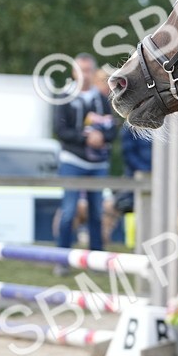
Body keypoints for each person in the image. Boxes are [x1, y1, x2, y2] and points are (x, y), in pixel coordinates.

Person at [53, 54, 117, 267]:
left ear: (93, 71)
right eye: (81, 70)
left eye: (88, 70)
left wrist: (102, 137)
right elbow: (60, 130)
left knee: (97, 212)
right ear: (74, 72)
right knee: (69, 211)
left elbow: (113, 128)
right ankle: (62, 259)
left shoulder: (101, 98)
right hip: (72, 161)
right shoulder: (65, 96)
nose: (85, 75)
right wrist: (85, 137)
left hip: (97, 163)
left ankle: (96, 259)